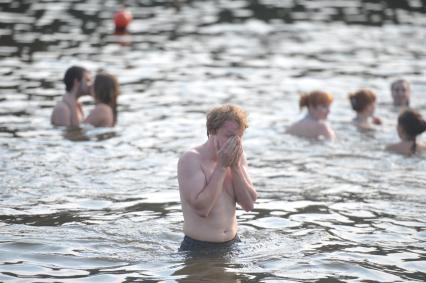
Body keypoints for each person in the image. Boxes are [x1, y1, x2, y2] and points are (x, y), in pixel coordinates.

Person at [177, 104, 257, 253]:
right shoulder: (191, 159)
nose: (235, 142)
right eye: (229, 136)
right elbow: (202, 208)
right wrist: (221, 167)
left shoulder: (238, 157)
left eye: (239, 136)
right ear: (212, 131)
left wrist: (235, 167)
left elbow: (249, 204)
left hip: (233, 244)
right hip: (200, 248)